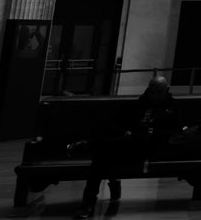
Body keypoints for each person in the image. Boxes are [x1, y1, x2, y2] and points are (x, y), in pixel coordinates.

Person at [74, 77, 180, 218]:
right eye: (152, 92)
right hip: (128, 145)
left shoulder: (173, 107)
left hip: (150, 147)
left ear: (166, 91)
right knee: (100, 157)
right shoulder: (139, 105)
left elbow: (177, 131)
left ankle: (87, 145)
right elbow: (117, 123)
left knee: (103, 151)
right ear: (148, 90)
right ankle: (88, 202)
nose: (155, 96)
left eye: (159, 92)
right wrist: (125, 131)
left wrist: (155, 132)